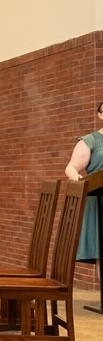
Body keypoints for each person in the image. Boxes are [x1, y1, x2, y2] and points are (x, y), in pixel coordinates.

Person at [66, 100, 103, 262]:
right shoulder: (90, 141)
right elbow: (71, 168)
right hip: (99, 200)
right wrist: (77, 179)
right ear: (100, 115)